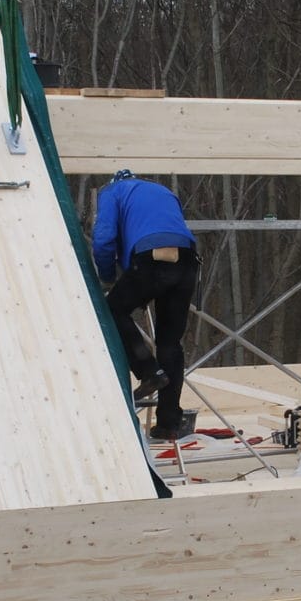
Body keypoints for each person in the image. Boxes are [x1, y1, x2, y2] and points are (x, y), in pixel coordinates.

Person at [92, 169, 199, 440]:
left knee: (114, 309)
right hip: (187, 261)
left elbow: (104, 238)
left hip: (152, 258)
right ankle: (169, 423)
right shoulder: (163, 192)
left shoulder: (112, 192)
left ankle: (148, 371)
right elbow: (165, 227)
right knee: (170, 342)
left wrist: (106, 278)